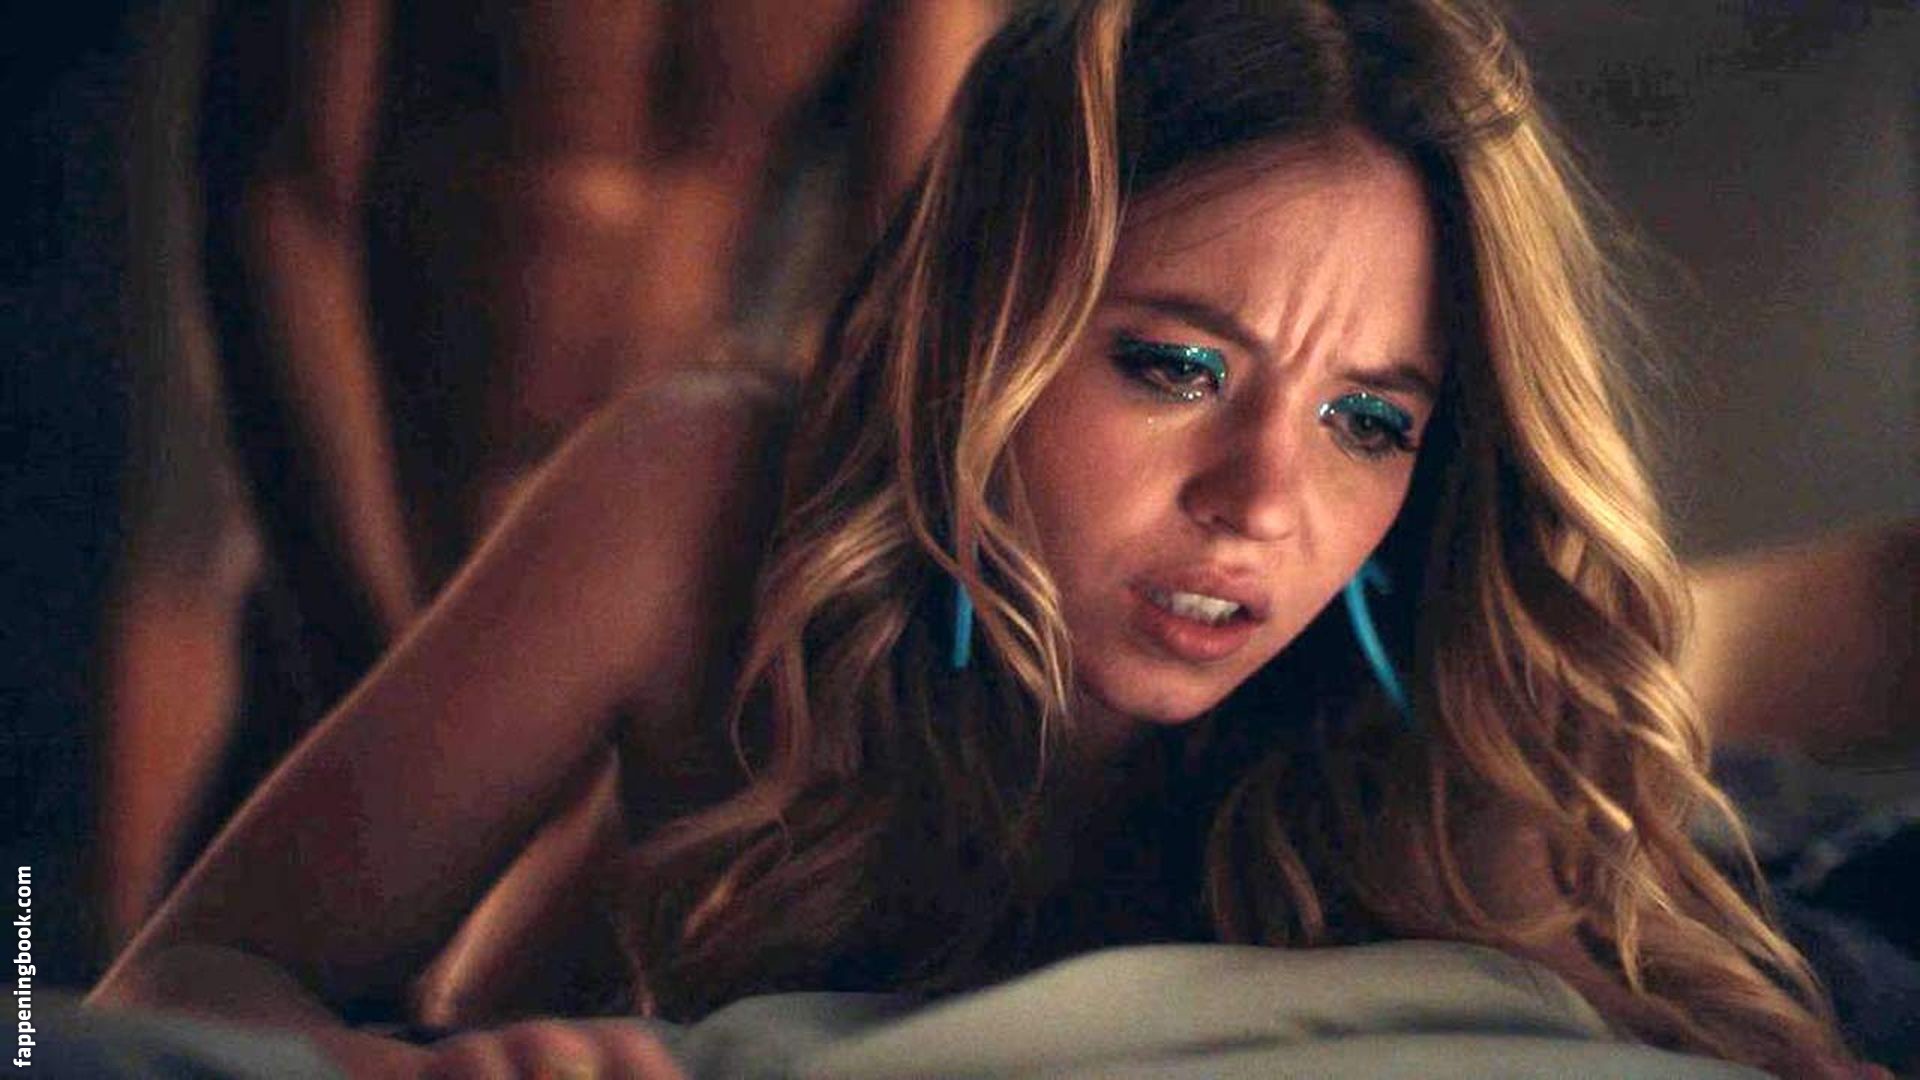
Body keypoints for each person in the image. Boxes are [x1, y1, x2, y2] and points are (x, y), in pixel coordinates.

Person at [90, 0, 1873, 1076]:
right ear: (993, 324)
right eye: (1175, 366)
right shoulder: (700, 501)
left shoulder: (1446, 702)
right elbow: (162, 987)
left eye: (1368, 421)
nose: (1262, 500)